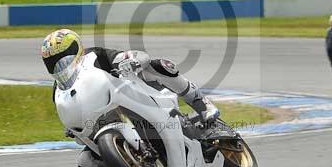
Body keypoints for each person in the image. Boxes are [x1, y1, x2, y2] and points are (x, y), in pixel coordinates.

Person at [40, 28, 219, 122]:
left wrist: (131, 60)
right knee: (88, 165)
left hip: (133, 94)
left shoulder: (96, 55)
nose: (61, 64)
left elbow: (126, 56)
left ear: (77, 48)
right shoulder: (59, 89)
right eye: (55, 61)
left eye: (64, 57)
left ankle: (201, 103)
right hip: (103, 116)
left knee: (160, 66)